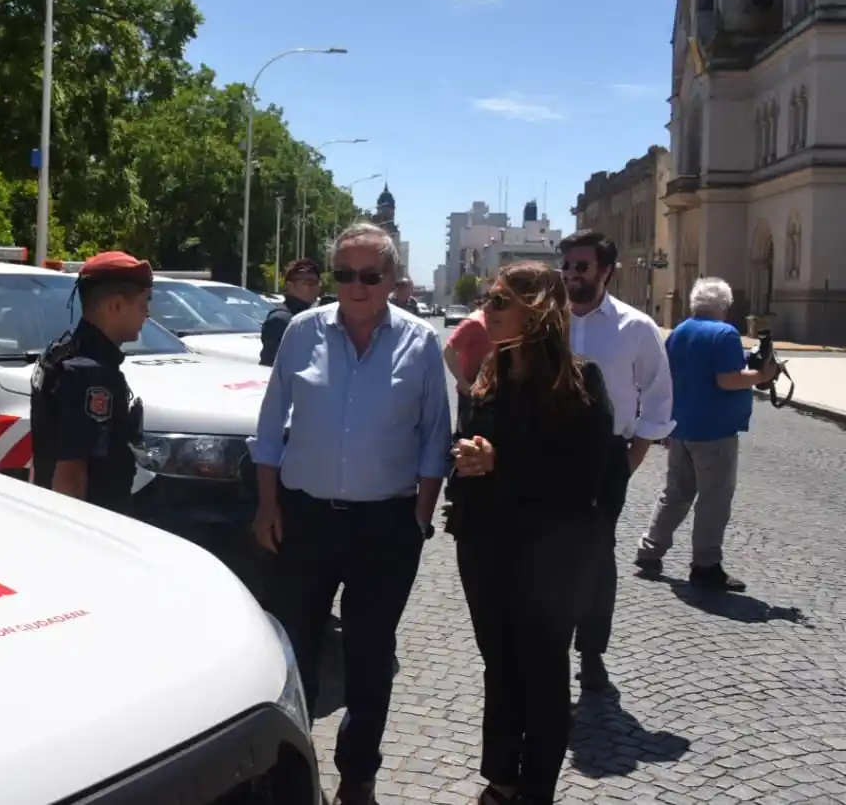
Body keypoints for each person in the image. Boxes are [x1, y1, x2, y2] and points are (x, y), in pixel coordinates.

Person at [248, 222, 451, 805]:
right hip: (304, 519)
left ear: (391, 279)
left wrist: (419, 517)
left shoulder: (419, 342)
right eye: (344, 274)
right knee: (293, 650)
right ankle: (288, 769)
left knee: (368, 659)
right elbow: (269, 426)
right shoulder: (301, 333)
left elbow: (435, 437)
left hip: (384, 527)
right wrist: (267, 505)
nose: (356, 286)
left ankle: (358, 778)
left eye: (369, 275)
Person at [447, 261, 613, 805]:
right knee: (499, 662)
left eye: (498, 302)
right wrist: (466, 461)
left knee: (542, 670)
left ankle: (535, 789)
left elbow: (585, 478)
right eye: (488, 300)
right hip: (486, 546)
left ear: (536, 310)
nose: (486, 312)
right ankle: (502, 777)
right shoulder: (487, 376)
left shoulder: (581, 381)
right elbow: (469, 455)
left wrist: (500, 462)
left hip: (552, 556)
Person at [560, 230, 673, 692]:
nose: (571, 275)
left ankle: (591, 652)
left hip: (606, 457)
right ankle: (543, 647)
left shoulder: (636, 328)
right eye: (565, 266)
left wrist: (629, 460)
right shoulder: (546, 321)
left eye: (581, 267)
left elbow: (659, 399)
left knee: (595, 557)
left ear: (605, 271)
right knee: (540, 551)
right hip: (546, 455)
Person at [634, 277, 776, 592]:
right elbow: (728, 380)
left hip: (682, 426)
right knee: (714, 499)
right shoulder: (725, 333)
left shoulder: (679, 332)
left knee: (676, 492)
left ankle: (649, 550)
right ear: (724, 306)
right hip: (715, 430)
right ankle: (706, 564)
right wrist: (763, 374)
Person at [29, 251, 151, 515]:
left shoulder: (60, 356)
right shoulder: (90, 375)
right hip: (92, 525)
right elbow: (70, 474)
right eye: (143, 304)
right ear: (115, 307)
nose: (147, 314)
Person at [259, 258, 321, 366]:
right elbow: (270, 366)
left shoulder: (310, 317)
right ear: (290, 286)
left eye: (316, 283)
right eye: (308, 283)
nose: (314, 287)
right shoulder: (280, 320)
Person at [443, 299, 492, 428]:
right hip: (472, 390)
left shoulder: (493, 321)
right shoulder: (474, 322)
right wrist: (462, 382)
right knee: (469, 434)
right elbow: (449, 350)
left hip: (490, 388)